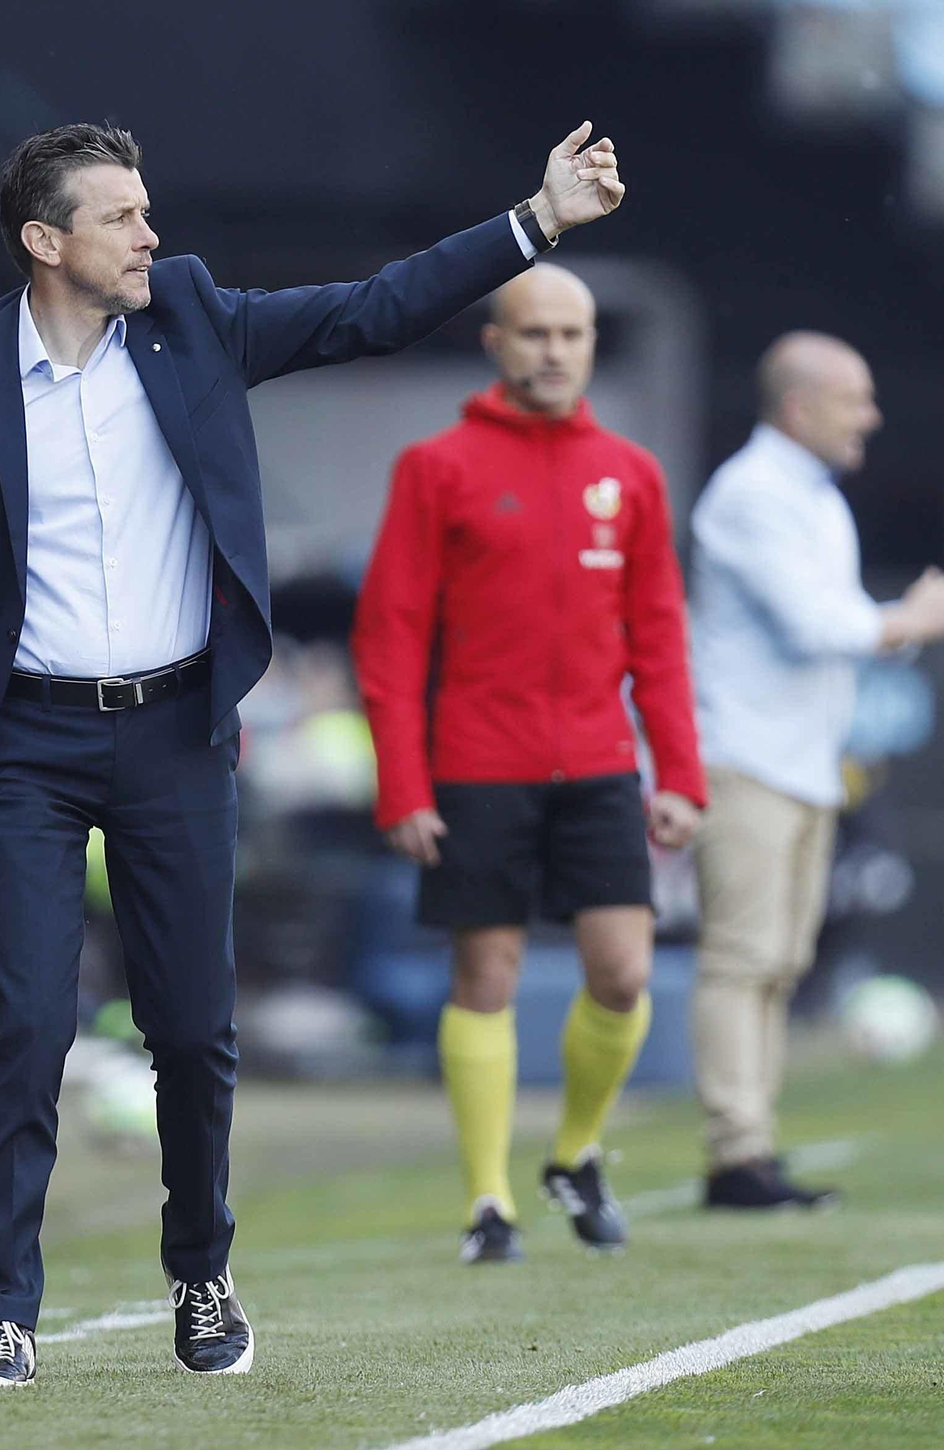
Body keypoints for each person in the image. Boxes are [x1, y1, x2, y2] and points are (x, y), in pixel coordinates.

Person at [0, 120, 628, 1382]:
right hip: (22, 739)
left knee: (191, 1029)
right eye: (121, 216)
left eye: (147, 211)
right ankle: (0, 1312)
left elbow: (373, 311)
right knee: (24, 1023)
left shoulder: (191, 317)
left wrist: (538, 219)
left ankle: (202, 1274)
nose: (150, 234)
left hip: (180, 730)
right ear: (44, 240)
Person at [351, 264, 706, 1264]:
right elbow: (389, 636)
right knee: (486, 975)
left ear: (591, 345)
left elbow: (659, 636)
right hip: (477, 763)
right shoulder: (437, 466)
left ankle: (575, 1153)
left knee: (624, 972)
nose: (555, 350)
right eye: (535, 332)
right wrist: (403, 785)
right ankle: (487, 1201)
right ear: (495, 345)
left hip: (597, 762)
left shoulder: (630, 473)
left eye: (573, 333)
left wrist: (679, 774)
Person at [688, 331, 944, 1209]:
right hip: (745, 759)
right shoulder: (749, 495)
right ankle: (738, 1155)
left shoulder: (816, 500)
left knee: (781, 959)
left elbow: (845, 634)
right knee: (743, 957)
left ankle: (750, 1147)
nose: (871, 416)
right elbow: (819, 628)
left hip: (804, 764)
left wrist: (912, 620)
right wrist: (922, 616)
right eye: (855, 398)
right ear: (799, 407)